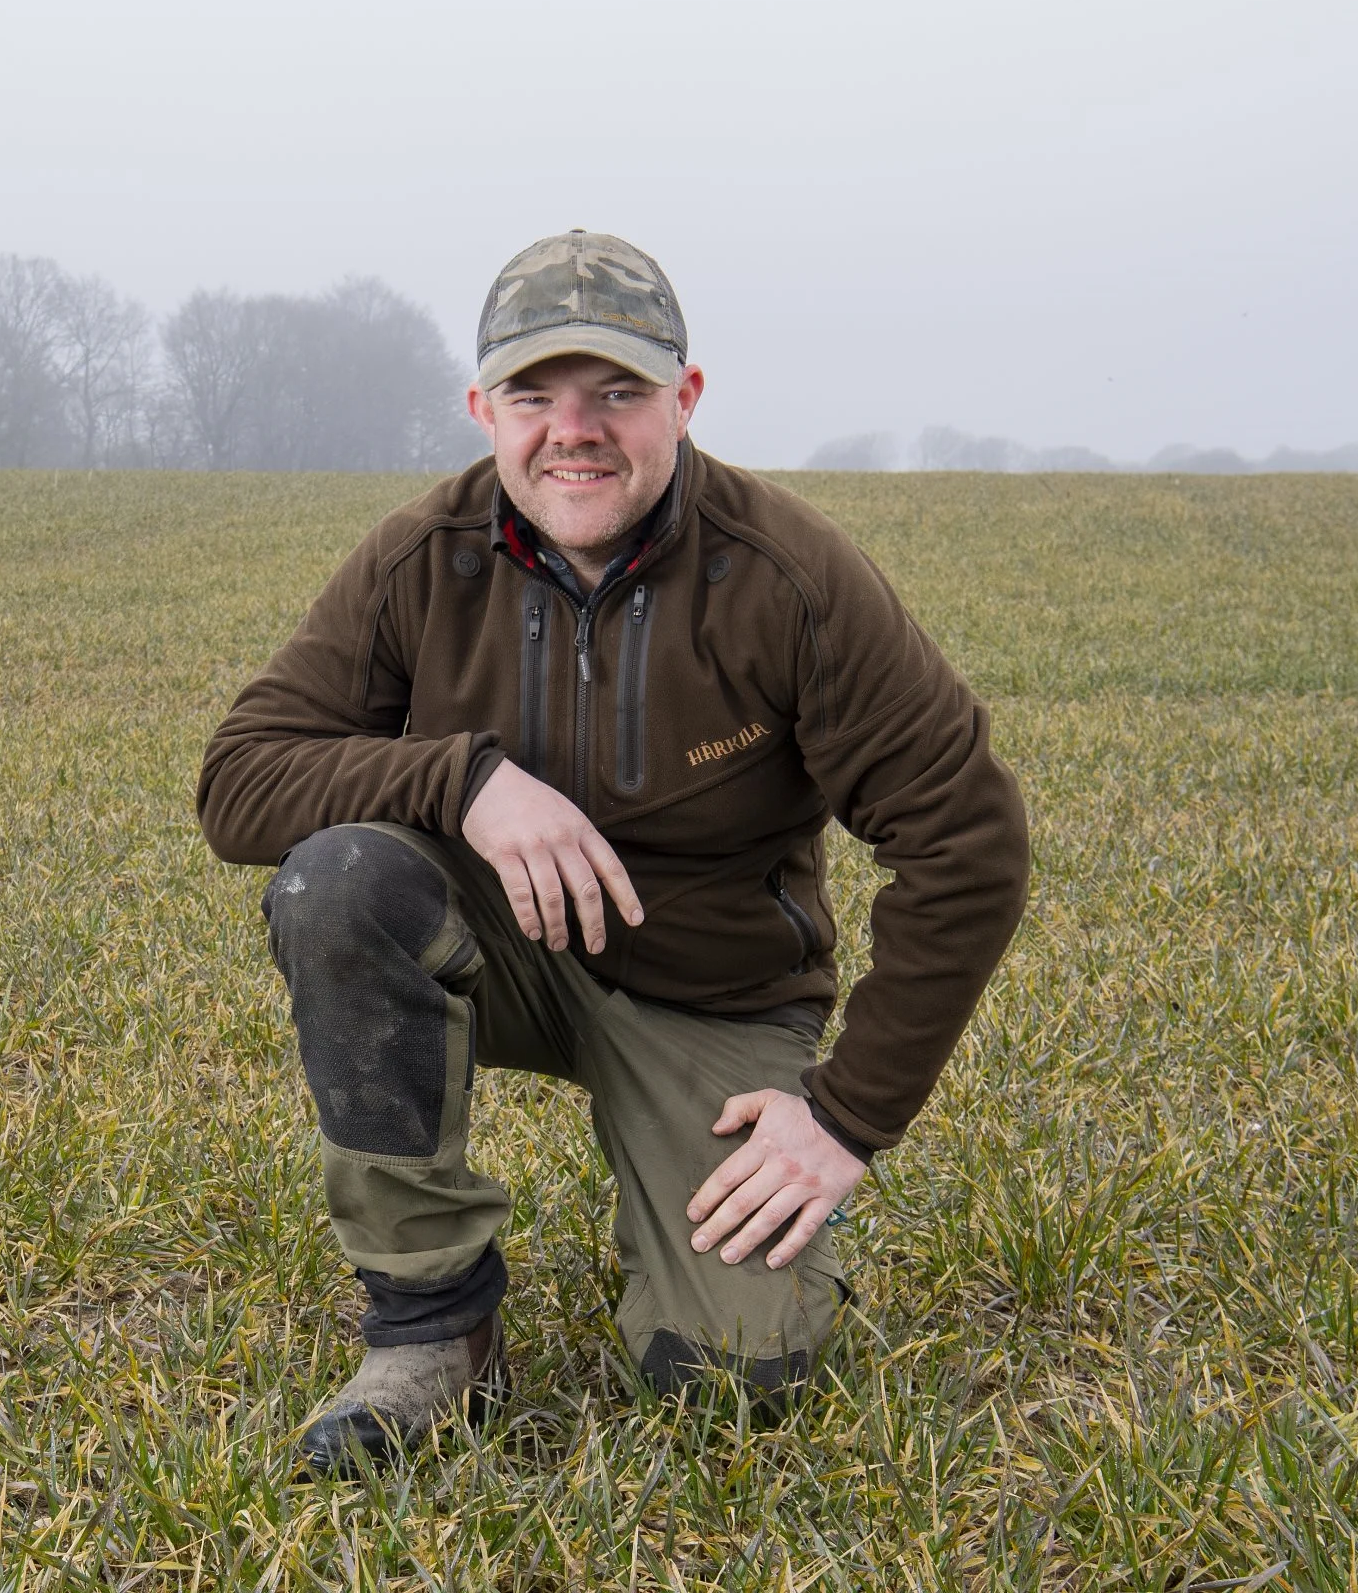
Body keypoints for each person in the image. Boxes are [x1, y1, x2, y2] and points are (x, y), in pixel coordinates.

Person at [196, 231, 1029, 1474]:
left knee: (735, 1386)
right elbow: (240, 777)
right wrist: (461, 778)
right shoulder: (419, 560)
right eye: (535, 395)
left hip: (716, 1000)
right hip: (505, 949)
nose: (571, 430)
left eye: (618, 393)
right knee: (341, 882)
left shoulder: (787, 577)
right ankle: (435, 1325)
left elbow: (969, 842)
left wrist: (847, 1119)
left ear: (684, 400)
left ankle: (727, 1271)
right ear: (483, 408)